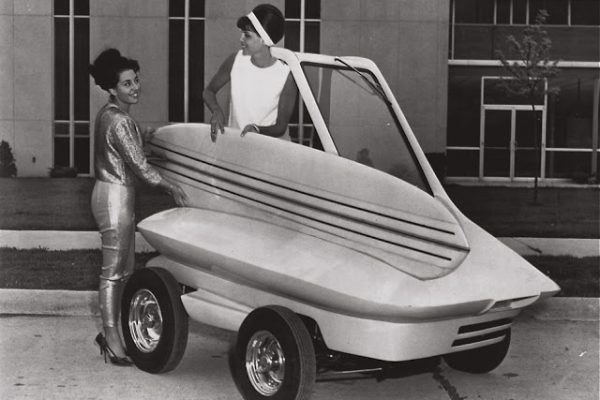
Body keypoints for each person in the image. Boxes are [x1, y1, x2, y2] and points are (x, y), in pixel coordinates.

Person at [89, 48, 188, 366]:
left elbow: (128, 149)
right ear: (111, 88)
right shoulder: (118, 121)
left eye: (136, 80)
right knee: (114, 272)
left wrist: (144, 135)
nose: (135, 87)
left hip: (115, 195)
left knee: (124, 270)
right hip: (114, 197)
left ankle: (116, 332)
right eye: (127, 83)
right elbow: (141, 167)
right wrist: (171, 186)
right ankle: (111, 337)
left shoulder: (112, 115)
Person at [203, 3, 297, 142]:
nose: (241, 39)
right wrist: (217, 111)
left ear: (264, 39)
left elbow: (280, 127)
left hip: (273, 151)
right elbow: (208, 92)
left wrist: (257, 129)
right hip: (238, 147)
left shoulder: (286, 75)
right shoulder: (235, 61)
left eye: (247, 35)